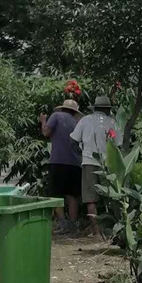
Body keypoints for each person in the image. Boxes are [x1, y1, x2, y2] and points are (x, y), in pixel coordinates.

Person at [70, 96, 119, 236]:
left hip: (88, 162)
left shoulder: (85, 120)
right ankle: (113, 230)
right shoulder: (111, 122)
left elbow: (72, 140)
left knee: (90, 198)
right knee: (110, 197)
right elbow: (117, 143)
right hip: (107, 164)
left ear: (95, 108)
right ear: (107, 109)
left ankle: (96, 232)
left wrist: (81, 154)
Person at [40, 98, 82, 233]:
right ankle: (73, 225)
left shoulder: (56, 116)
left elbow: (46, 132)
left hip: (58, 161)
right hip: (75, 163)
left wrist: (43, 121)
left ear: (62, 108)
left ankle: (63, 223)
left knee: (56, 194)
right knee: (72, 195)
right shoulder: (77, 122)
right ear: (74, 112)